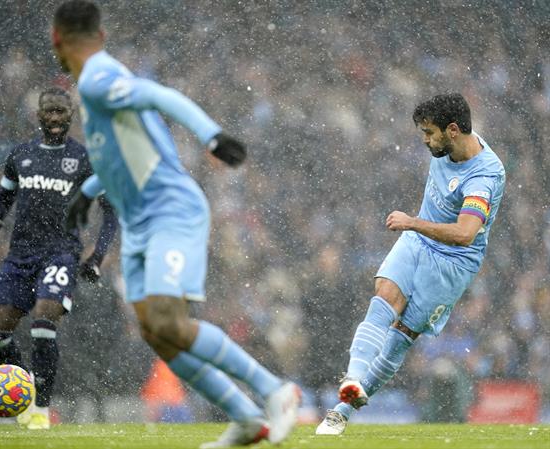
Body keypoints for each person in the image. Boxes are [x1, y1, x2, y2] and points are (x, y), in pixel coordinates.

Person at [52, 1, 300, 447]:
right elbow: (117, 157)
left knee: (169, 320)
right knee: (157, 334)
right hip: (140, 222)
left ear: (57, 39)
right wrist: (85, 195)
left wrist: (211, 135)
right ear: (101, 36)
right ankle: (245, 418)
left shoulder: (96, 77)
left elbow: (157, 94)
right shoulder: (96, 85)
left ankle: (274, 390)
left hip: (170, 210)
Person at [316, 93, 505, 434]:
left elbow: (464, 234)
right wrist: (416, 227)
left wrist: (412, 221)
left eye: (429, 133)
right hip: (417, 242)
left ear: (452, 130)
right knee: (385, 294)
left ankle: (343, 410)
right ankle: (354, 378)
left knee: (401, 336)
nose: (424, 140)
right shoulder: (450, 146)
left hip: (452, 263)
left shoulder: (483, 178)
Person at [0, 86, 117, 430]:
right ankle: (24, 389)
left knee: (43, 324)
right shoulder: (21, 155)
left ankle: (41, 409)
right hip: (20, 255)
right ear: (39, 115)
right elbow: (3, 196)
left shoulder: (84, 159)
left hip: (60, 253)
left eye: (61, 111)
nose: (56, 117)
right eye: (50, 111)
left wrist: (97, 256)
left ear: (71, 115)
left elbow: (110, 210)